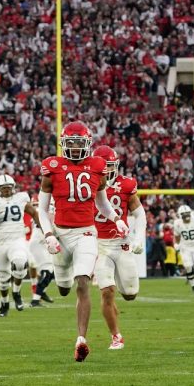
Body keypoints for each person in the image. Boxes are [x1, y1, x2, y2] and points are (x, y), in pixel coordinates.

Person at [38, 121, 129, 362]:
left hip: (86, 233)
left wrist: (116, 218)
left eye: (80, 143)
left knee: (82, 283)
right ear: (63, 144)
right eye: (71, 143)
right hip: (60, 233)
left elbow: (101, 202)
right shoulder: (52, 166)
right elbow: (42, 208)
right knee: (64, 288)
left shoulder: (97, 166)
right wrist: (48, 235)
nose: (76, 148)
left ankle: (81, 340)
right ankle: (64, 283)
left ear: (88, 145)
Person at [92, 145, 146, 350]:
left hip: (121, 244)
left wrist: (138, 237)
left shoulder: (126, 184)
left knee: (130, 294)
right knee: (106, 291)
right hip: (98, 244)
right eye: (103, 167)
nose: (106, 171)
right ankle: (116, 336)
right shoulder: (87, 184)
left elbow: (139, 214)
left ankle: (116, 292)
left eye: (109, 166)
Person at [0, 174, 41, 317]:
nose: (7, 191)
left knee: (21, 263)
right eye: (3, 188)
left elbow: (33, 213)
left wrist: (45, 229)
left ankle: (16, 292)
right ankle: (4, 303)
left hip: (17, 239)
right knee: (2, 279)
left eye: (9, 188)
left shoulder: (20, 199)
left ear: (13, 188)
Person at [25, 194, 54, 306]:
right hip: (39, 242)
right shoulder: (50, 208)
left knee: (48, 271)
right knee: (48, 271)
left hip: (40, 242)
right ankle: (36, 299)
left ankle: (40, 295)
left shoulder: (39, 209)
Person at [174, 204, 194, 292]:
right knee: (188, 266)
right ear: (180, 215)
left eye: (187, 213)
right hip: (185, 247)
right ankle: (193, 285)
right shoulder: (177, 223)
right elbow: (177, 236)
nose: (186, 216)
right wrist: (177, 244)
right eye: (183, 214)